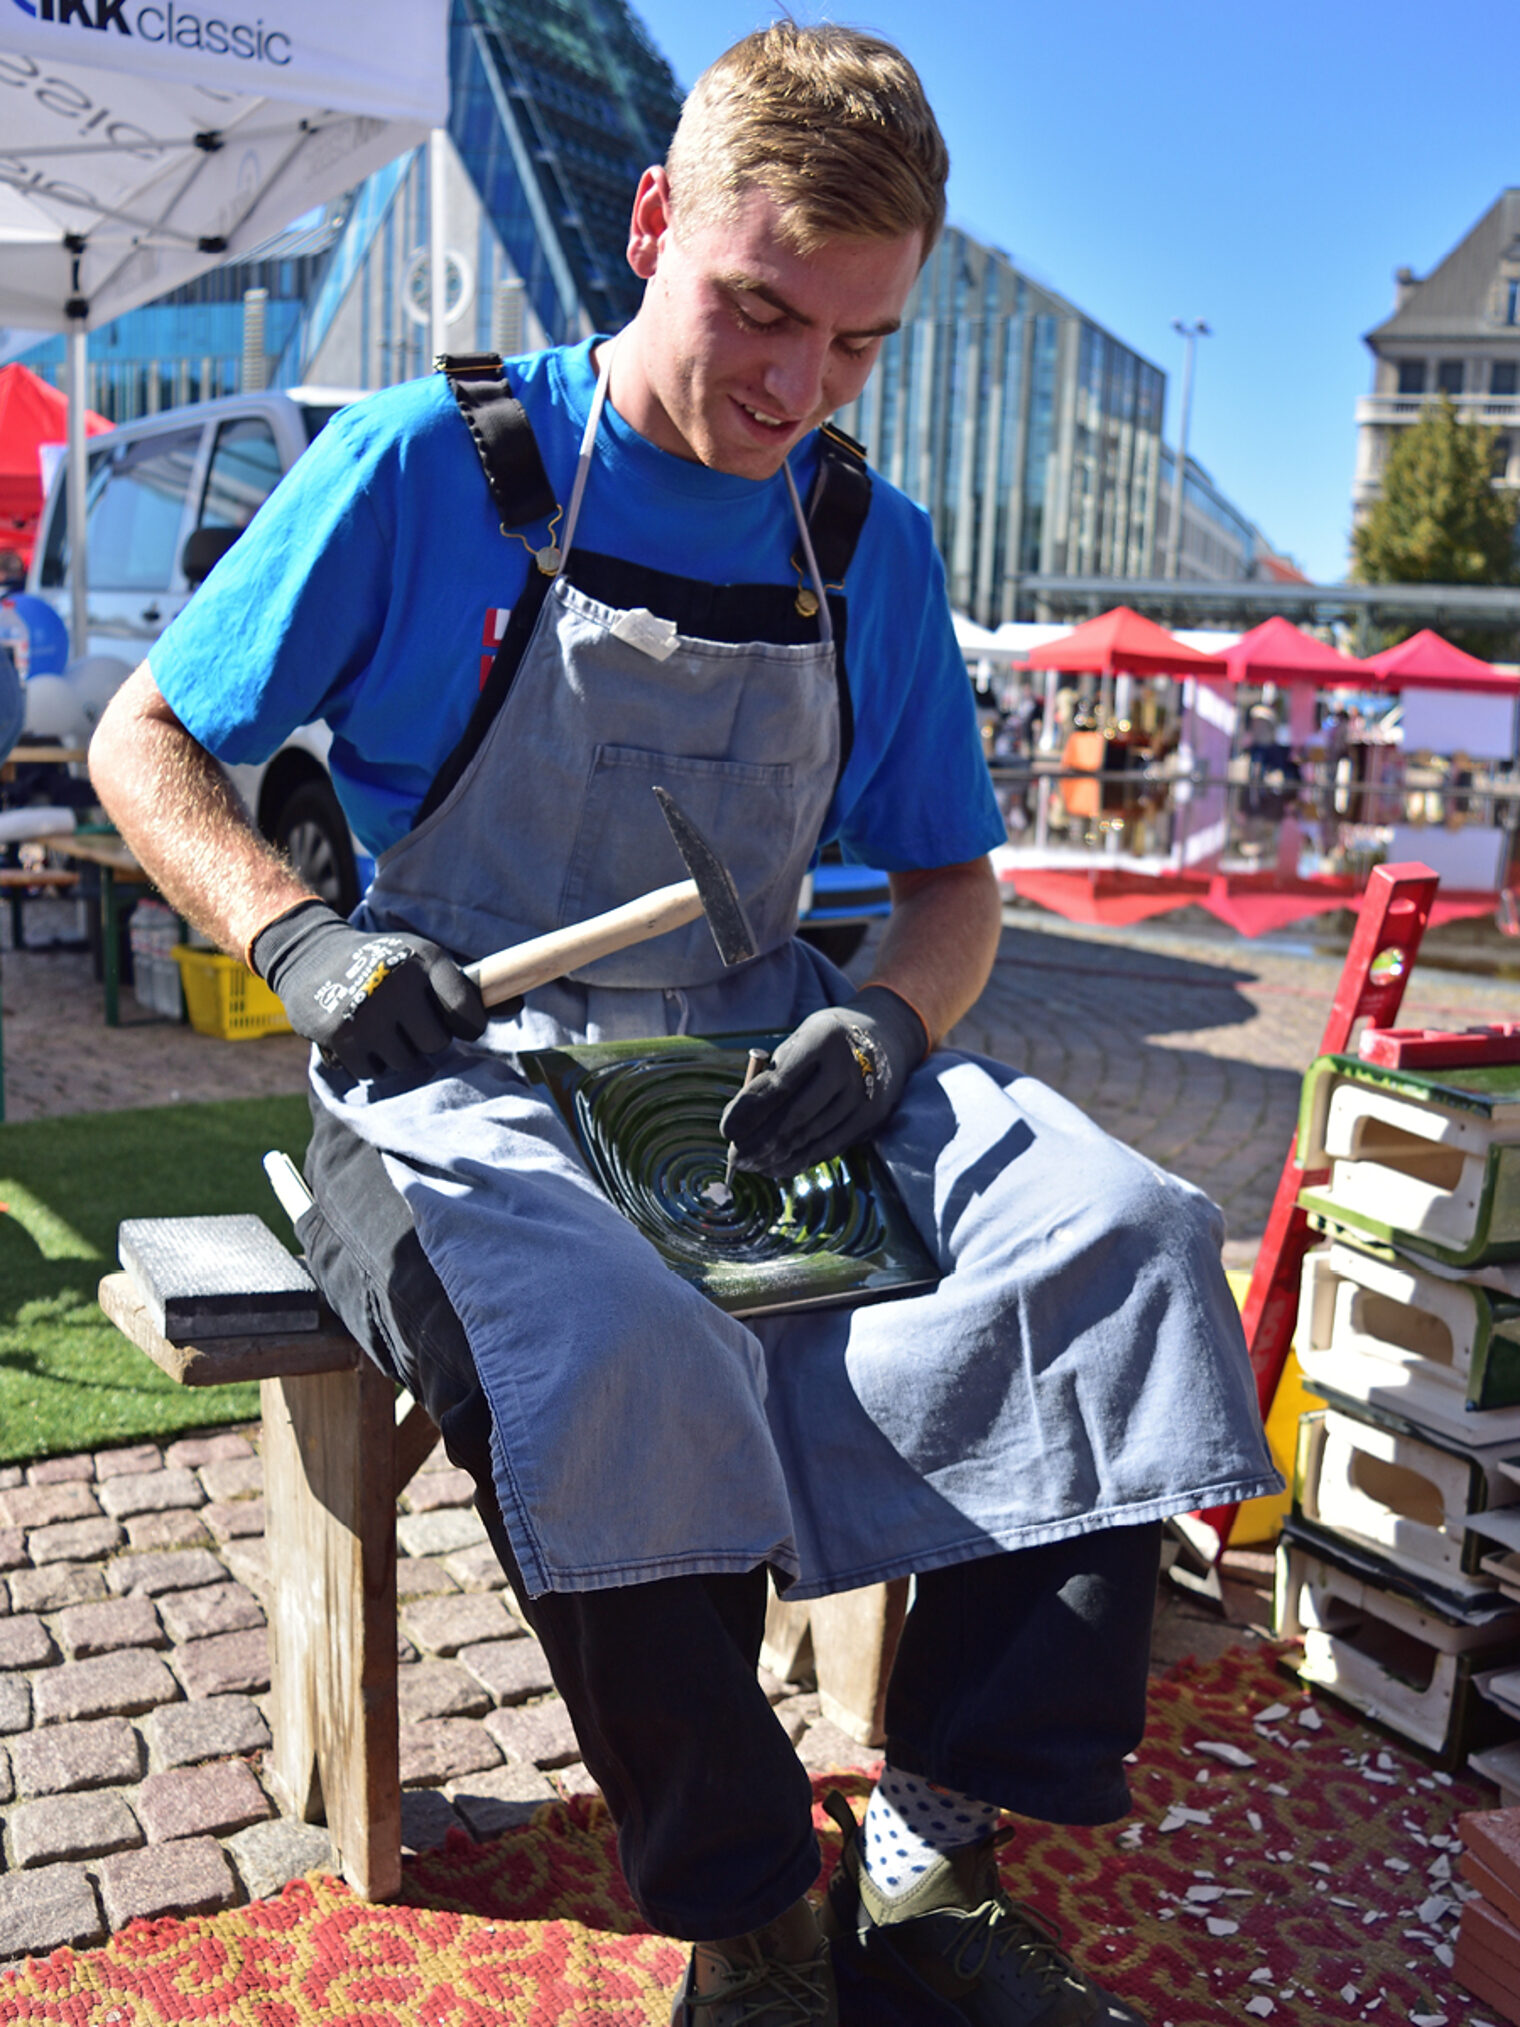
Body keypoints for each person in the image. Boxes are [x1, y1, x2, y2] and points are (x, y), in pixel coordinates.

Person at [89, 24, 1277, 2026]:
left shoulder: (858, 541)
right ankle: (740, 1900)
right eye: (756, 310)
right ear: (652, 223)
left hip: (760, 1052)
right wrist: (300, 945)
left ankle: (933, 1843)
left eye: (858, 346)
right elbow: (148, 742)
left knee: (1124, 1244)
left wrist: (893, 1033)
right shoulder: (430, 467)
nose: (792, 389)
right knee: (612, 1349)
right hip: (451, 1062)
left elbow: (951, 891)